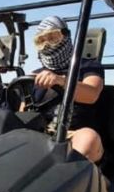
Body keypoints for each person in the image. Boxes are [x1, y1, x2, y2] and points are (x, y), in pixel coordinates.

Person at [31, 16, 104, 162]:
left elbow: (92, 94)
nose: (48, 44)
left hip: (74, 134)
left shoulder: (87, 66)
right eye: (42, 41)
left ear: (66, 36)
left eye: (53, 37)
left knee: (88, 138)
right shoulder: (35, 74)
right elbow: (23, 110)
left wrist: (60, 81)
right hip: (40, 133)